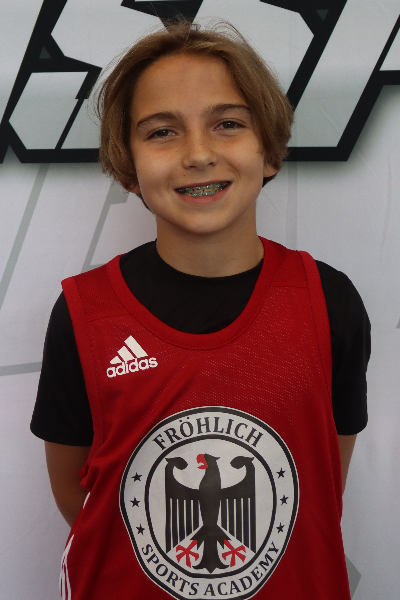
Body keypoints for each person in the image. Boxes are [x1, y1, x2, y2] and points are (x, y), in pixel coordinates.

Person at [31, 20, 370, 600]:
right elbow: (79, 493)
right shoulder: (85, 314)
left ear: (268, 149)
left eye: (228, 124)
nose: (198, 154)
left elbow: (318, 480)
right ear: (129, 166)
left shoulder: (328, 300)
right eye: (162, 132)